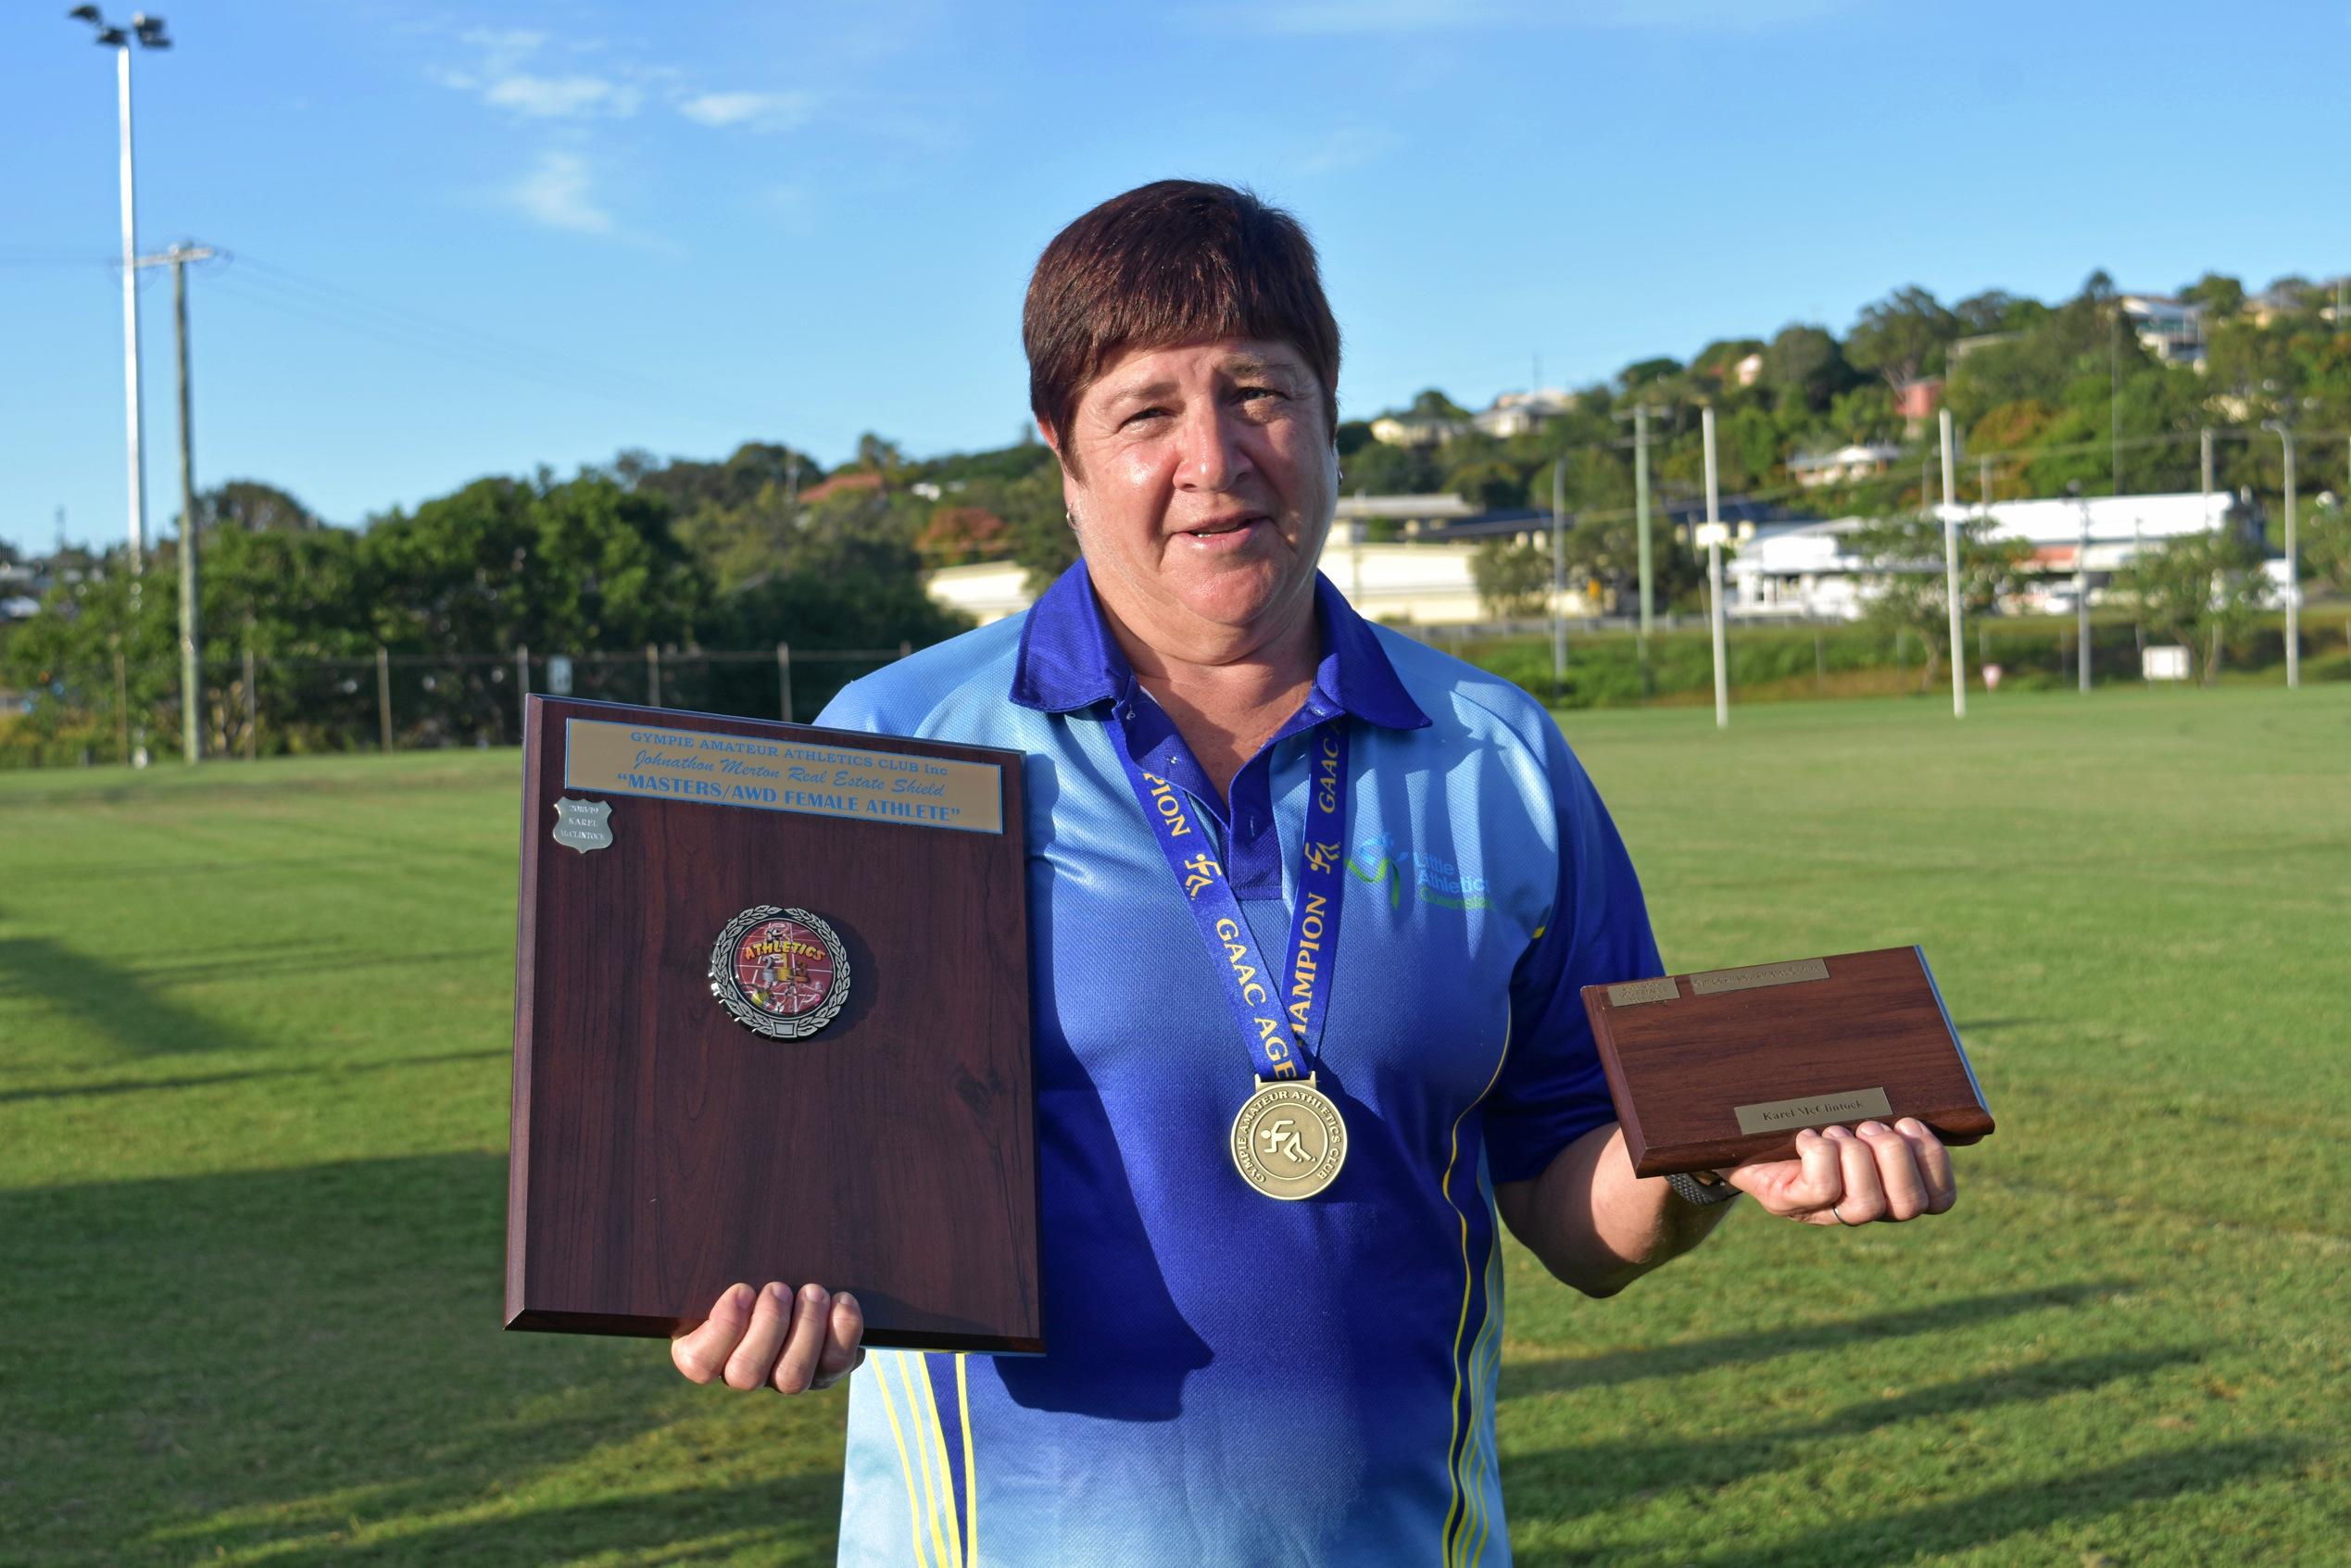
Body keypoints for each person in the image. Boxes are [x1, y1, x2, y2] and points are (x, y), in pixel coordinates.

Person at [668, 180, 1959, 1564]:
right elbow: (770, 1152)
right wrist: (728, 1272)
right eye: (1145, 410)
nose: (1216, 458)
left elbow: (1572, 1208)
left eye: (1257, 392)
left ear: (1328, 410)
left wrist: (1712, 1166)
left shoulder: (1497, 757)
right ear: (1061, 447)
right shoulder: (896, 744)